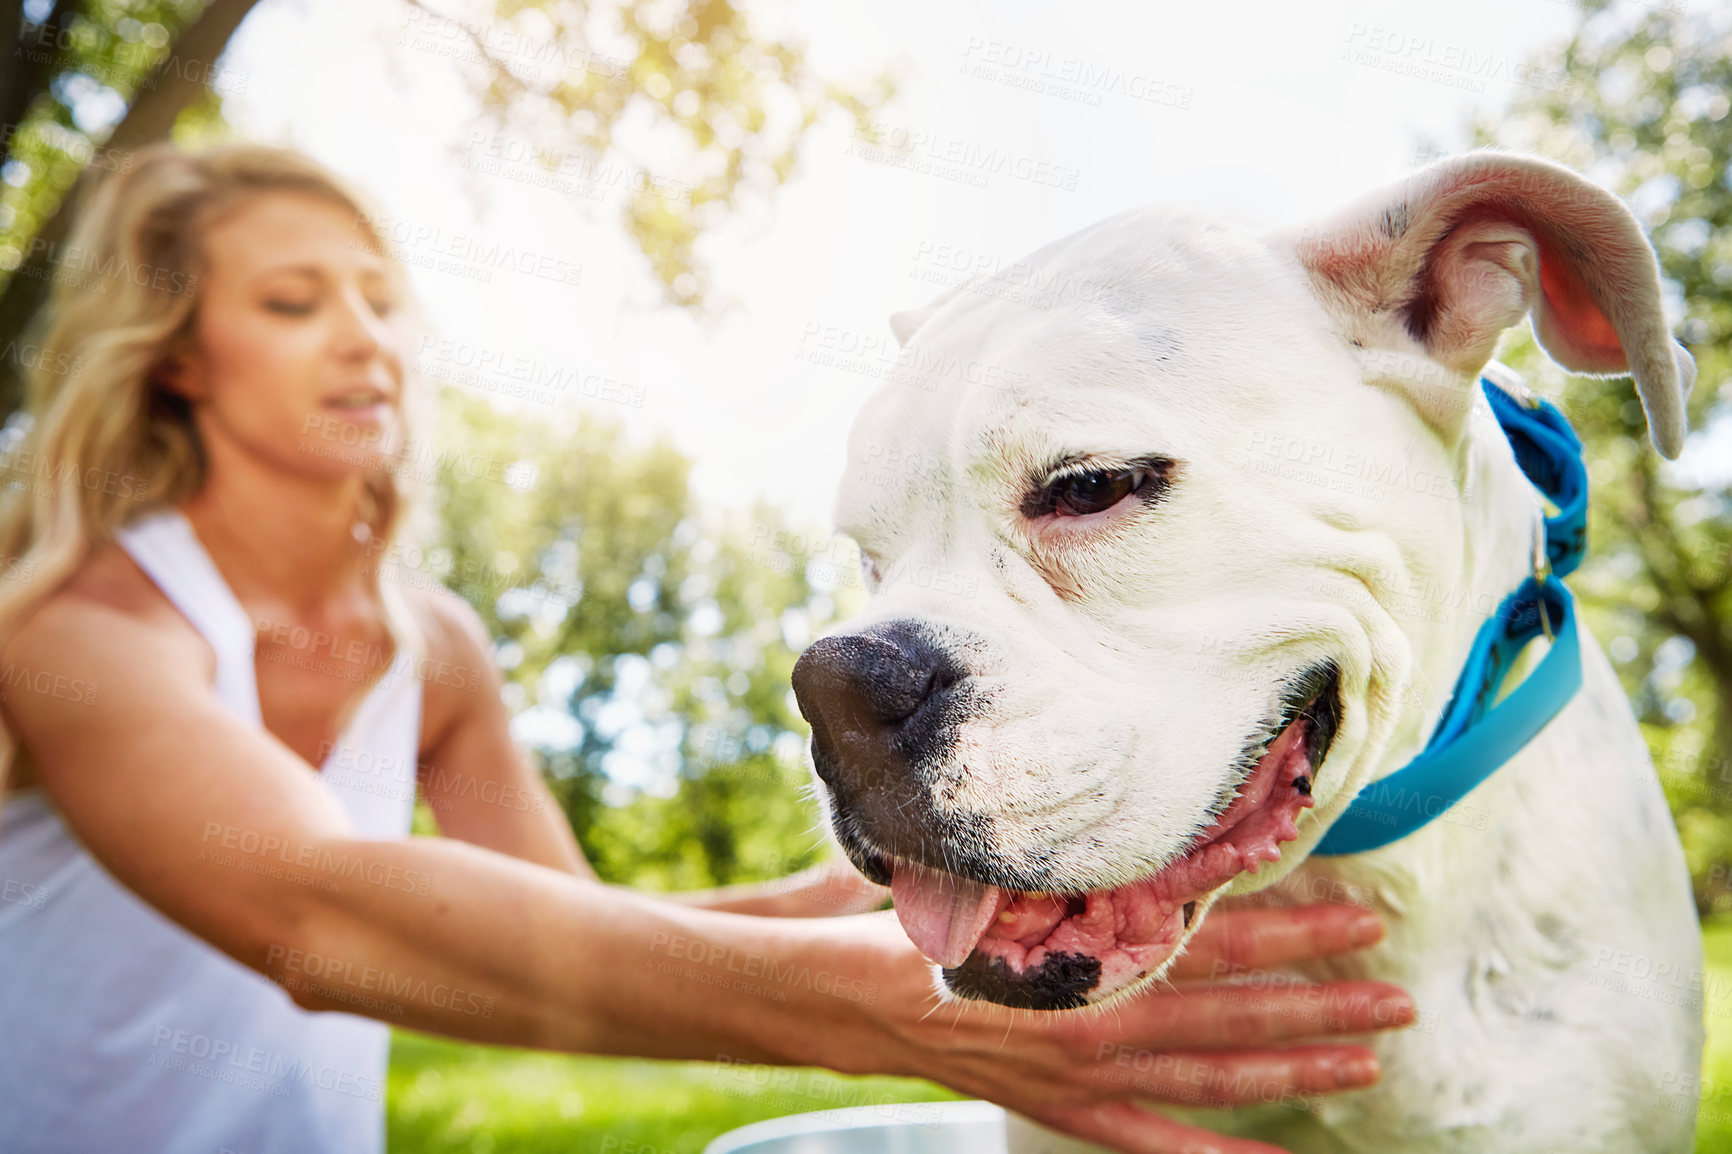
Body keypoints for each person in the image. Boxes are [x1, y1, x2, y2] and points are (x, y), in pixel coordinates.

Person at [0, 141, 1415, 1154]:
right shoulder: (79, 624)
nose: (365, 338)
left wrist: (841, 907)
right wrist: (888, 1010)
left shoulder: (430, 645)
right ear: (174, 355)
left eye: (379, 294)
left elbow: (556, 950)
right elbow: (316, 915)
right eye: (294, 302)